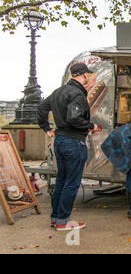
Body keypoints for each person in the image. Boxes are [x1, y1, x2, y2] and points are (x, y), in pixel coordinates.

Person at [37, 63, 98, 231]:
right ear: (84, 75)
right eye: (88, 75)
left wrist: (47, 128)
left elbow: (41, 108)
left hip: (60, 141)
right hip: (73, 142)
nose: (89, 78)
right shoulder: (77, 94)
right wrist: (90, 125)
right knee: (71, 182)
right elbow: (74, 118)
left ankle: (56, 218)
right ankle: (63, 221)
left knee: (61, 181)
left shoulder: (59, 92)